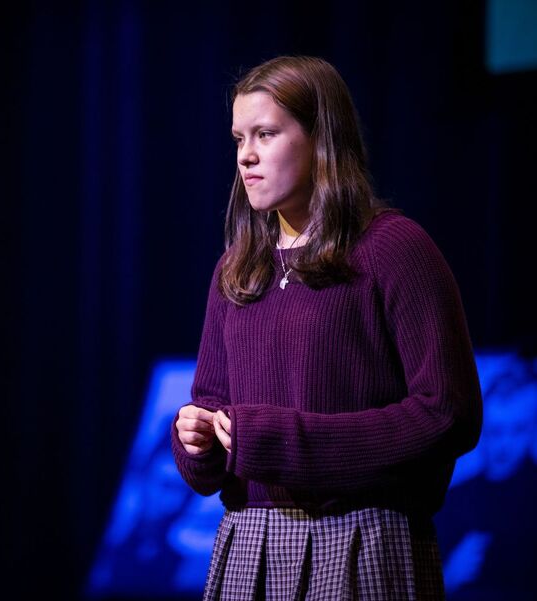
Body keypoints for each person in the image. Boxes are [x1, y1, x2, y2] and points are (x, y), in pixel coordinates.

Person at [172, 56, 482, 600]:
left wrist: (280, 443)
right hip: (250, 546)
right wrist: (199, 444)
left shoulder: (392, 250)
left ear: (321, 140)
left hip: (361, 539)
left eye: (266, 134)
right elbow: (214, 406)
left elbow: (447, 413)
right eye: (239, 138)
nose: (246, 155)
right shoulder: (236, 268)